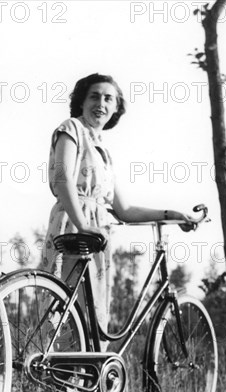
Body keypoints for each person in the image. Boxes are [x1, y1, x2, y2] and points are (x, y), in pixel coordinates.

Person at [42, 73, 196, 342]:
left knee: (90, 314)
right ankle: (55, 374)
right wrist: (82, 224)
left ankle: (82, 378)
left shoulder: (103, 151)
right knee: (65, 309)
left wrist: (171, 215)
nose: (100, 103)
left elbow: (124, 210)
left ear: (115, 108)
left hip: (96, 233)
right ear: (81, 101)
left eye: (108, 98)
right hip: (73, 225)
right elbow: (62, 179)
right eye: (94, 96)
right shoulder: (71, 129)